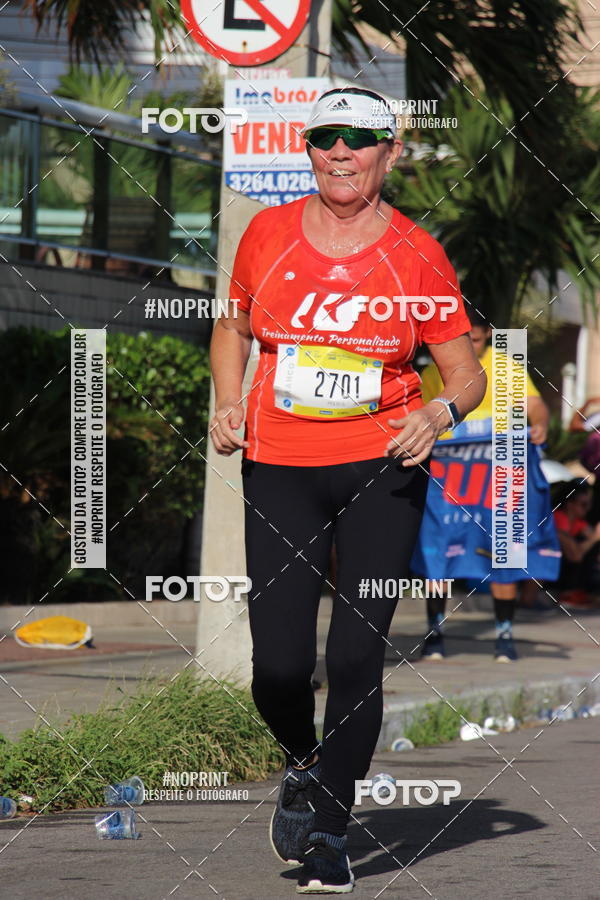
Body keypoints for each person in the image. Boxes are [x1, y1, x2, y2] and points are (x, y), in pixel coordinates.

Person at [209, 87, 485, 894]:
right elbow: (232, 327)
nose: (341, 151)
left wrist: (437, 410)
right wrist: (228, 400)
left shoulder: (418, 252)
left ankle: (330, 831)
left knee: (358, 655)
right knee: (281, 669)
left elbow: (463, 373)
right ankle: (303, 761)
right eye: (326, 136)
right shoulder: (265, 234)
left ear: (388, 154)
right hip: (282, 466)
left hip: (382, 469)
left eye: (359, 140)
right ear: (308, 147)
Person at [412, 313, 560, 663]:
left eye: (476, 342)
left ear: (488, 336)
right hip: (452, 482)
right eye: (464, 341)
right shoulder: (435, 372)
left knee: (504, 551)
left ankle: (504, 636)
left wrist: (539, 426)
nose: (469, 348)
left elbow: (536, 407)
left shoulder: (507, 367)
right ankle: (435, 632)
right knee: (439, 553)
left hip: (501, 481)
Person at [553, 481, 600, 607]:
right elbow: (575, 556)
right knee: (585, 548)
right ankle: (568, 593)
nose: (588, 508)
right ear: (570, 504)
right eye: (583, 504)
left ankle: (584, 592)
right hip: (553, 573)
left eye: (589, 504)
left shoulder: (579, 523)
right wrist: (595, 537)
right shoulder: (558, 518)